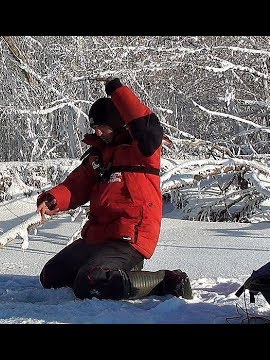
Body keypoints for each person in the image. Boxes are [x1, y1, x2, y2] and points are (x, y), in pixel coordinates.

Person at [36, 77, 193, 301]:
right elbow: (76, 185)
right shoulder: (98, 156)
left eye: (101, 126)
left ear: (117, 122)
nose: (97, 133)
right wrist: (54, 199)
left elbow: (146, 126)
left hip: (129, 236)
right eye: (94, 128)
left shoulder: (142, 150)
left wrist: (117, 90)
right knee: (51, 276)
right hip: (98, 237)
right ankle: (118, 273)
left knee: (90, 283)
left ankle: (167, 281)